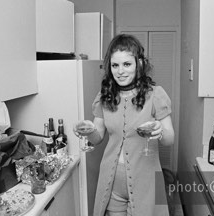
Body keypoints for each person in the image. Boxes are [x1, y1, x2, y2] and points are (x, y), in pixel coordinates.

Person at [74, 34, 175, 216]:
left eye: (127, 64)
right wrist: (88, 131)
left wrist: (160, 132)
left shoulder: (155, 95)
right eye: (115, 65)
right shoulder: (104, 96)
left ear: (139, 64)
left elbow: (169, 139)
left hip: (146, 182)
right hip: (112, 181)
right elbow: (97, 138)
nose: (120, 71)